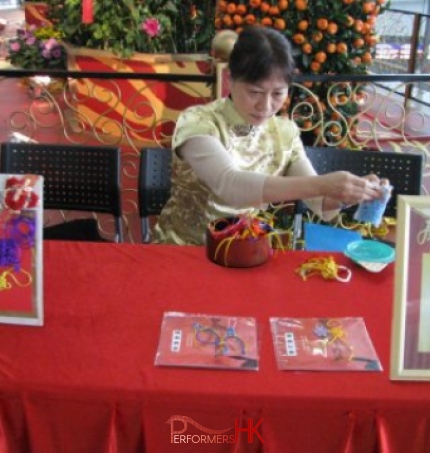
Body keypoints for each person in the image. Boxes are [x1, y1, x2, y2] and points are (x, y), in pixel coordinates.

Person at [154, 26, 386, 245]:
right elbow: (229, 186)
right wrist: (324, 184)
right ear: (229, 80)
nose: (265, 106)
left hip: (242, 251)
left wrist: (350, 192)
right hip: (183, 250)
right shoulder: (198, 121)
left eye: (277, 93)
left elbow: (322, 205)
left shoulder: (284, 132)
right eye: (255, 92)